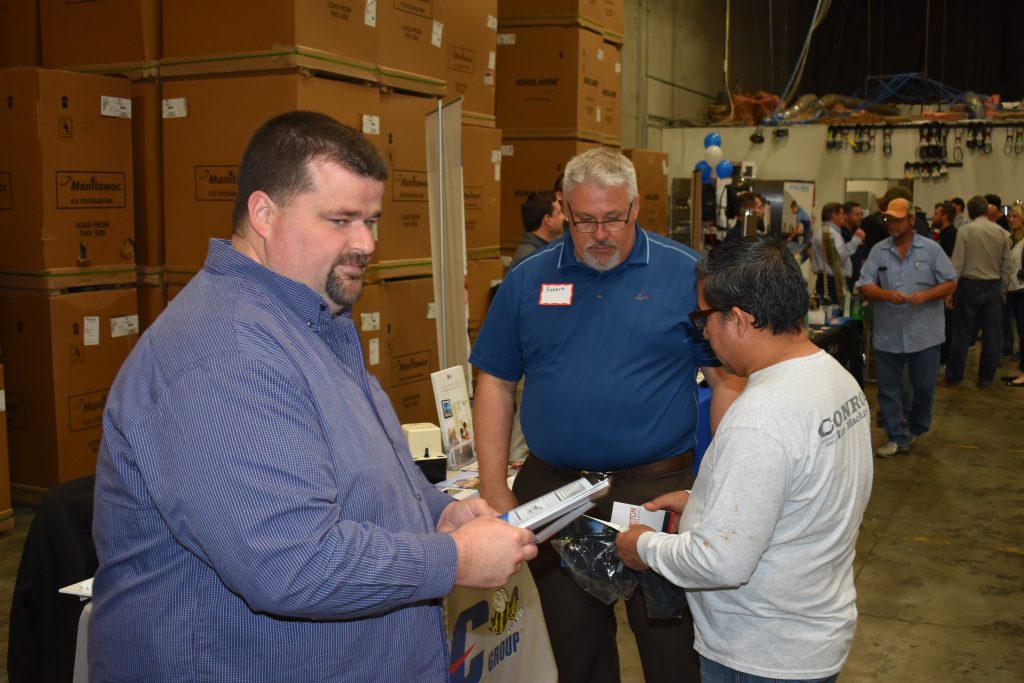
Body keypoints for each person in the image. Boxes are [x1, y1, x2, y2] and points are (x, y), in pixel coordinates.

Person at [89, 111, 537, 682]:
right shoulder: (224, 352)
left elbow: (352, 476)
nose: (367, 243)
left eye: (371, 220)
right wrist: (454, 558)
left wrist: (439, 511)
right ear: (263, 214)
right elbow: (289, 562)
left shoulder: (309, 323)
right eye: (341, 220)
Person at [470, 147, 743, 683]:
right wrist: (495, 489)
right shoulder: (528, 280)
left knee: (673, 650)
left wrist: (715, 487)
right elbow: (496, 382)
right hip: (555, 495)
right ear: (563, 210)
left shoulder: (684, 274)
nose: (600, 234)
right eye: (585, 220)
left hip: (655, 490)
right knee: (575, 654)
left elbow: (727, 381)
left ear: (635, 207)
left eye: (614, 218)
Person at [615, 234, 873, 683]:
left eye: (704, 318)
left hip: (759, 652)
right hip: (812, 629)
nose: (705, 332)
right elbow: (799, 494)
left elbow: (723, 563)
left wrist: (643, 548)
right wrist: (702, 503)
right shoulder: (834, 377)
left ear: (738, 318)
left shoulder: (760, 417)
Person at [856, 198, 957, 457]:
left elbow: (950, 281)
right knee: (888, 389)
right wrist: (885, 294)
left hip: (924, 335)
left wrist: (926, 296)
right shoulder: (879, 251)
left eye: (897, 219)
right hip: (888, 334)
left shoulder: (931, 249)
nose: (891, 224)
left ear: (911, 221)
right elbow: (864, 284)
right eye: (888, 219)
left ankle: (917, 426)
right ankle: (896, 436)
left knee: (923, 387)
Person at [945, 195, 1015, 388]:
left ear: (969, 211)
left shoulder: (965, 231)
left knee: (962, 334)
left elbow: (957, 263)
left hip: (968, 285)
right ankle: (986, 378)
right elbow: (1007, 265)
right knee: (992, 335)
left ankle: (955, 376)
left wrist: (950, 289)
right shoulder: (1001, 232)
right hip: (992, 285)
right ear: (986, 211)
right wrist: (1003, 288)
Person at [810, 201, 864, 300]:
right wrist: (856, 240)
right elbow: (837, 259)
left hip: (831, 281)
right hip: (832, 283)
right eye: (842, 213)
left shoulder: (828, 231)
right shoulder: (829, 233)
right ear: (834, 215)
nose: (845, 217)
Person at [932, 202, 958, 366]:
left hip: (946, 287)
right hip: (940, 286)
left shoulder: (951, 234)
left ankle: (945, 360)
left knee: (948, 326)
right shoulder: (942, 234)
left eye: (936, 213)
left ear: (944, 216)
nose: (934, 216)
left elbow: (952, 262)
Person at [510, 190, 564, 267]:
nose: (563, 217)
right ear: (548, 219)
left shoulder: (548, 250)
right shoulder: (527, 260)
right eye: (559, 213)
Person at [1003, 204, 1024, 386]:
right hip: (1015, 291)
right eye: (1010, 216)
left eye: (1015, 216)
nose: (1010, 219)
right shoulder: (1013, 240)